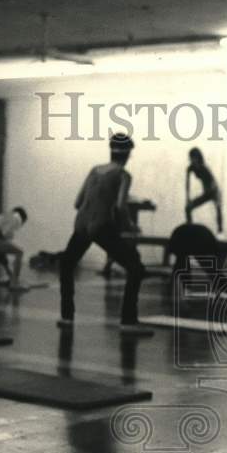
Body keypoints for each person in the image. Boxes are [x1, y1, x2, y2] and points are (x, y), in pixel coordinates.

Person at [57, 133, 150, 333]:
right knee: (136, 268)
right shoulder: (124, 175)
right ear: (127, 155)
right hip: (100, 225)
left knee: (67, 264)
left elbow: (77, 203)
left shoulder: (94, 170)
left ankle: (66, 317)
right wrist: (130, 226)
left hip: (80, 224)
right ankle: (128, 321)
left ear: (111, 152)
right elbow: (120, 207)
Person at [166, 222, 227, 297]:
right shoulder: (205, 245)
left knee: (183, 265)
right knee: (206, 267)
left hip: (191, 236)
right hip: (192, 236)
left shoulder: (203, 244)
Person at [185, 147, 223, 233]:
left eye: (193, 158)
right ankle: (189, 228)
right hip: (206, 193)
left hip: (214, 191)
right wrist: (187, 198)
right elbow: (187, 184)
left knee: (218, 208)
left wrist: (216, 197)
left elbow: (212, 181)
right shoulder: (190, 168)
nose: (192, 160)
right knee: (188, 208)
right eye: (191, 158)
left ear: (198, 158)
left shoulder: (204, 168)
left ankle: (220, 230)